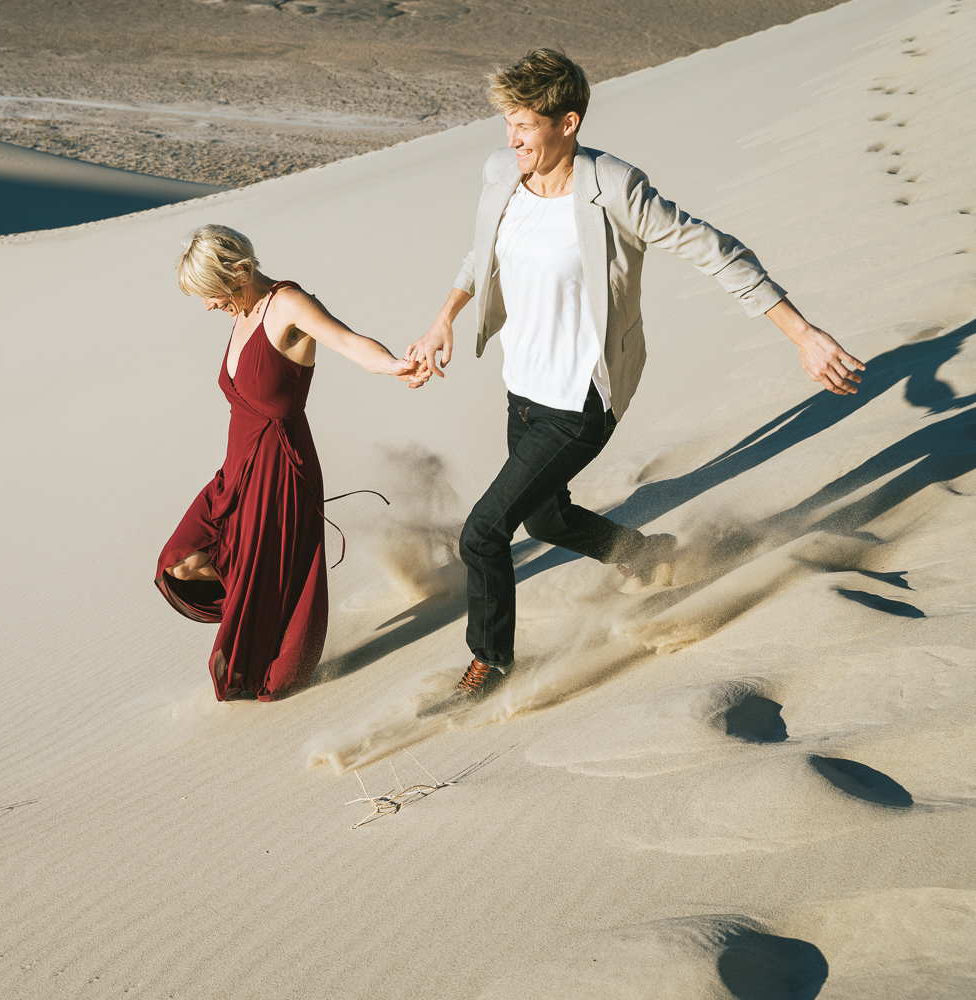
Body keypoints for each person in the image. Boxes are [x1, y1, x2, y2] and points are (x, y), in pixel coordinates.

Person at [404, 49, 865, 700]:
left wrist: (802, 333)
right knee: (548, 522)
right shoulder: (501, 175)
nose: (511, 140)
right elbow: (482, 252)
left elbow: (716, 252)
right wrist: (443, 318)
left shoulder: (614, 190)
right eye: (506, 123)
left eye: (525, 126)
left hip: (581, 398)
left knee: (485, 532)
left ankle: (492, 663)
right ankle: (645, 554)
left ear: (568, 123)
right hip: (525, 389)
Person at [158, 225, 418, 701]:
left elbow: (350, 342)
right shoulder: (241, 313)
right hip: (235, 471)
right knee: (180, 562)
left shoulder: (288, 305)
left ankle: (268, 619)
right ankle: (256, 599)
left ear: (240, 271)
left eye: (211, 293)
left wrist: (394, 365)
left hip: (281, 470)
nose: (208, 306)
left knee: (269, 596)